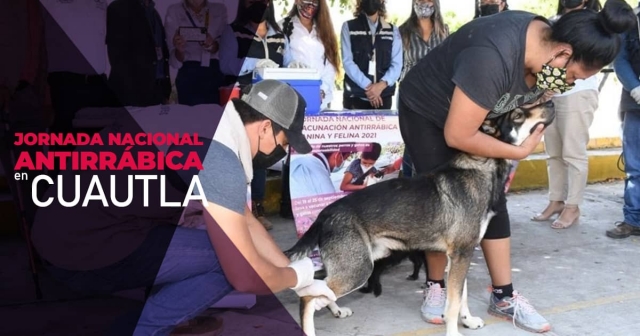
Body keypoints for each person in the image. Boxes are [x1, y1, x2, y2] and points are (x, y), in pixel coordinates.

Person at [398, 1, 635, 332]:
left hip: (475, 110)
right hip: (427, 110)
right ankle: (436, 285)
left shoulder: (546, 51)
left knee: (491, 196)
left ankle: (503, 295)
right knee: (443, 201)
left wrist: (538, 99)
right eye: (571, 77)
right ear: (564, 54)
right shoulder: (492, 55)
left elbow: (518, 100)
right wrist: (518, 151)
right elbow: (457, 133)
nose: (566, 84)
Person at [31, 80, 337, 335]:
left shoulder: (210, 120)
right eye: (285, 143)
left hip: (61, 225)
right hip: (79, 246)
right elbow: (245, 277)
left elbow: (243, 217)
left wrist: (293, 274)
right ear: (266, 128)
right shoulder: (218, 156)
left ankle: (163, 317)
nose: (283, 153)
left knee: (222, 239)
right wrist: (298, 276)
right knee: (229, 261)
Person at [219, 0, 294, 230]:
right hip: (242, 104)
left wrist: (293, 68)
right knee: (238, 154)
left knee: (262, 156)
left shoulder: (280, 35)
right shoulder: (233, 31)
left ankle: (258, 208)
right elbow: (226, 65)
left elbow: (289, 65)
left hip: (272, 106)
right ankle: (235, 208)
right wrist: (253, 63)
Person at [532, 0, 603, 229]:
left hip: (579, 93)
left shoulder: (593, 24)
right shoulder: (554, 23)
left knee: (573, 153)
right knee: (553, 153)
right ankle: (556, 201)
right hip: (552, 95)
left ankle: (573, 207)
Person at [398, 0, 449, 179]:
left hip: (437, 97)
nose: (423, 3)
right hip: (411, 98)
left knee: (435, 142)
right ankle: (409, 188)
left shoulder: (445, 31)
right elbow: (398, 66)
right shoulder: (402, 31)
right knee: (411, 144)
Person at [608, 3, 640, 239]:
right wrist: (636, 88)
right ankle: (632, 219)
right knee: (634, 167)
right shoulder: (630, 19)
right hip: (635, 102)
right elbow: (620, 60)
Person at [106, 0, 171, 107]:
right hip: (131, 98)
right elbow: (117, 58)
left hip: (157, 94)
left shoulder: (154, 13)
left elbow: (161, 55)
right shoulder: (118, 8)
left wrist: (164, 92)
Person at [341, 0, 402, 110]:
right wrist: (370, 88)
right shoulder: (348, 27)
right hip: (355, 99)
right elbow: (347, 62)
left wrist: (380, 86)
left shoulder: (393, 31)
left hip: (383, 99)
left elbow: (397, 65)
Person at [164, 0, 228, 106]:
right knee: (190, 119)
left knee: (215, 118)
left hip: (214, 72)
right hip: (188, 74)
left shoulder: (219, 10)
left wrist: (212, 45)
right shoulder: (174, 11)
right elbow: (173, 60)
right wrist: (179, 50)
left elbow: (224, 47)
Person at [280, 0, 340, 110]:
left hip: (322, 98)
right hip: (293, 97)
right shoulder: (283, 26)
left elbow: (330, 64)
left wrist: (321, 90)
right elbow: (281, 60)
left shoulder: (324, 28)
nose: (310, 4)